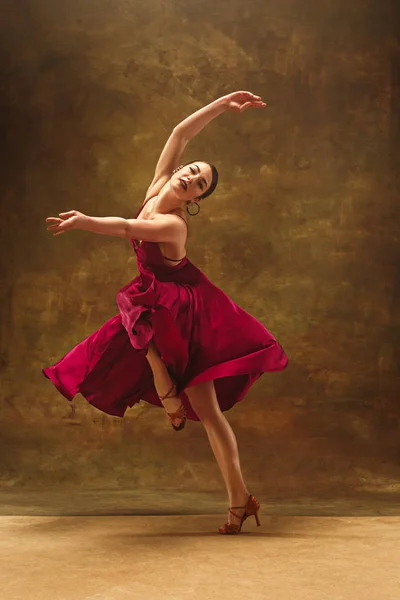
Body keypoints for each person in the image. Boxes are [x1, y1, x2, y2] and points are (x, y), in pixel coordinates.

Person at [44, 91, 289, 535]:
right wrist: (221, 105)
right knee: (121, 338)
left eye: (198, 185)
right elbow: (180, 132)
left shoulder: (173, 224)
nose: (190, 179)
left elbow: (124, 227)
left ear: (196, 200)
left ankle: (239, 498)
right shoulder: (157, 187)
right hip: (155, 300)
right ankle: (169, 393)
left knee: (210, 412)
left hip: (189, 310)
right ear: (178, 171)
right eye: (191, 171)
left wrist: (83, 221)